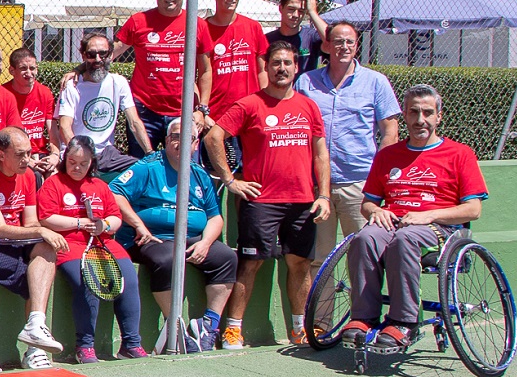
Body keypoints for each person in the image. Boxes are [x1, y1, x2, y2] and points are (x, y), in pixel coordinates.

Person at [204, 39, 331, 349]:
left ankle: (300, 329)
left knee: (300, 265)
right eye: (276, 63)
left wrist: (323, 195)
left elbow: (320, 154)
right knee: (250, 265)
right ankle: (233, 330)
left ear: (296, 68)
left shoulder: (308, 106)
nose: (282, 68)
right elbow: (213, 137)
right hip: (260, 201)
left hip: (302, 201)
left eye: (287, 63)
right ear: (267, 68)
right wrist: (231, 180)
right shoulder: (249, 104)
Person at [345, 84, 488, 351]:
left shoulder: (460, 154)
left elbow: (473, 210)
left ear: (438, 116)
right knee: (364, 237)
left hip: (439, 228)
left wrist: (429, 215)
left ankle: (403, 322)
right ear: (405, 116)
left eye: (427, 112)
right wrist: (376, 211)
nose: (420, 120)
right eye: (413, 112)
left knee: (405, 239)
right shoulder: (388, 155)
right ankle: (363, 317)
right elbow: (367, 203)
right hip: (395, 222)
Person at [111, 119, 238, 354]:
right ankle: (175, 325)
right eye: (175, 136)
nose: (180, 142)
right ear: (167, 141)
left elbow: (215, 217)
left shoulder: (200, 175)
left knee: (227, 257)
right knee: (168, 259)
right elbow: (115, 193)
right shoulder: (147, 167)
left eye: (187, 138)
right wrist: (139, 225)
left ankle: (209, 326)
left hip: (192, 239)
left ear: (195, 144)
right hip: (152, 238)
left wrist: (205, 243)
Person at [297, 19, 401, 266]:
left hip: (359, 185)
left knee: (364, 257)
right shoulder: (305, 82)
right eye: (337, 41)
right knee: (318, 261)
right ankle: (321, 308)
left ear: (356, 47)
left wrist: (379, 178)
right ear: (327, 45)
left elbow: (390, 132)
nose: (343, 46)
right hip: (317, 186)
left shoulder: (376, 82)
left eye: (349, 42)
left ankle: (361, 307)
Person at [38, 136, 145, 363]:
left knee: (129, 280)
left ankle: (131, 343)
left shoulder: (100, 186)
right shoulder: (54, 184)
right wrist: (78, 224)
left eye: (84, 163)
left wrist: (103, 225)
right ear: (65, 160)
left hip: (104, 243)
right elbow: (46, 217)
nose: (77, 168)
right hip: (69, 244)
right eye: (73, 162)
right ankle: (85, 345)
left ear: (92, 163)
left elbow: (115, 218)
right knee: (88, 281)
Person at [0, 126, 65, 364]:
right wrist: (41, 230)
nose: (26, 159)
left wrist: (40, 233)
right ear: (1, 155)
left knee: (47, 249)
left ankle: (36, 330)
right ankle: (34, 344)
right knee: (32, 280)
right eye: (20, 154)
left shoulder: (29, 175)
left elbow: (29, 221)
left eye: (29, 153)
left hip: (16, 238)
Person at [115, 0, 211, 153]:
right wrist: (79, 70)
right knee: (142, 167)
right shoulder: (138, 21)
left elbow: (206, 70)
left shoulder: (198, 25)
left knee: (184, 169)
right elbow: (109, 53)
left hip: (183, 112)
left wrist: (202, 110)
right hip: (144, 111)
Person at [198, 0, 269, 172]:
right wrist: (203, 112)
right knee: (215, 176)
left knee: (250, 175)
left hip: (250, 117)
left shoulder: (253, 27)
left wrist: (265, 106)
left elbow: (262, 70)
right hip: (217, 120)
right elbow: (195, 75)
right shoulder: (201, 28)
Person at [54, 31, 149, 176]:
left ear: (111, 55)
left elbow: (134, 122)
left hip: (107, 154)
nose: (98, 59)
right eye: (91, 55)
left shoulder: (119, 82)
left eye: (103, 54)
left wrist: (149, 152)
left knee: (144, 169)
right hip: (77, 154)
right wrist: (81, 156)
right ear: (84, 56)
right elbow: (65, 127)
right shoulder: (71, 86)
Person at [5, 47, 59, 176]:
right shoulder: (4, 94)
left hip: (39, 154)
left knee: (54, 178)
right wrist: (26, 160)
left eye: (32, 68)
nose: (29, 73)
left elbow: (53, 132)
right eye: (23, 68)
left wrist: (55, 155)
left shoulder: (45, 93)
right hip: (15, 154)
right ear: (12, 70)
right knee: (31, 177)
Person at [265, 0, 330, 74]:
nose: (296, 15)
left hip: (305, 86)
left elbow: (331, 42)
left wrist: (312, 12)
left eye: (301, 11)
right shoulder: (267, 39)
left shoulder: (311, 36)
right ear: (281, 8)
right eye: (291, 9)